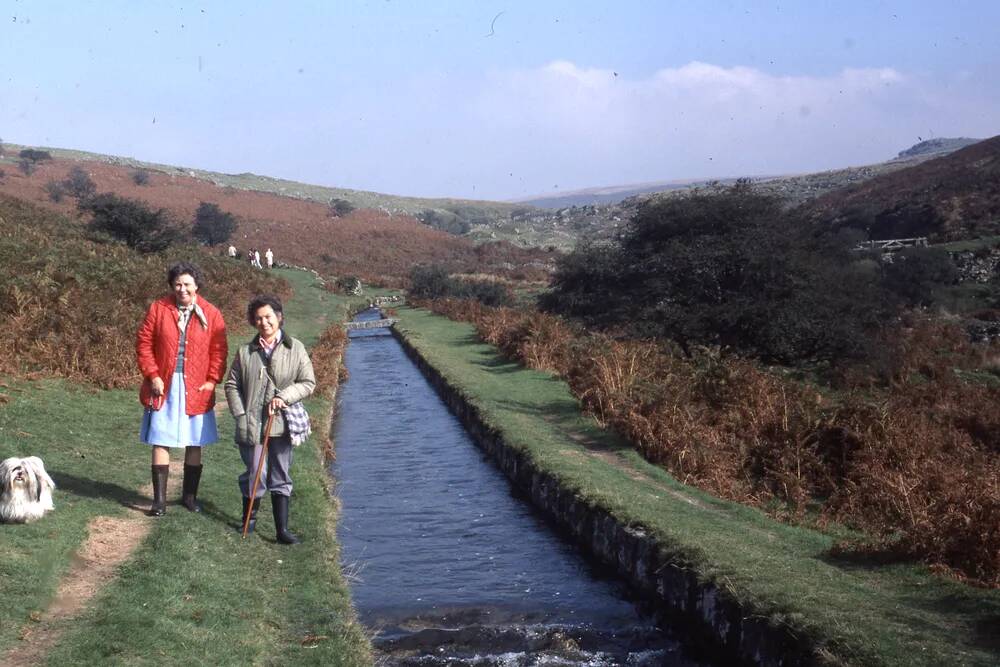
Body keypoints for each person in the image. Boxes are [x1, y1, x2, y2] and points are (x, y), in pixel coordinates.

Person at [136, 262, 228, 516]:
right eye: (177, 284)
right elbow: (144, 343)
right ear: (171, 286)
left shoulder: (212, 313)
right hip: (163, 385)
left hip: (196, 385)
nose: (182, 289)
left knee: (194, 440)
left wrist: (211, 381)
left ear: (196, 285)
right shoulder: (158, 309)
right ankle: (159, 502)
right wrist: (152, 375)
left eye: (187, 284)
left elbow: (219, 351)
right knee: (160, 439)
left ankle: (189, 498)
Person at [225, 294, 315, 544]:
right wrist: (241, 414)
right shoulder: (245, 352)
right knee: (255, 473)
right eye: (258, 318)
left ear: (279, 317)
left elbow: (308, 382)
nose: (264, 322)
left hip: (283, 425)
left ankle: (281, 531)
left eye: (268, 316)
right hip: (253, 425)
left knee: (281, 474)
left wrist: (284, 397)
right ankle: (248, 522)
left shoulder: (295, 348)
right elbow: (231, 385)